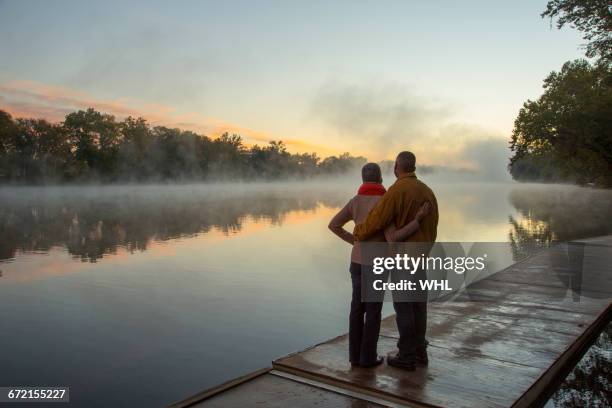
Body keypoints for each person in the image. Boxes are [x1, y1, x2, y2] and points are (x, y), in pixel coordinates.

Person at [329, 162, 430, 368]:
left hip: (356, 262)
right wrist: (417, 221)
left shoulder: (355, 201)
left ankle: (354, 357)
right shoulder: (385, 202)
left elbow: (334, 225)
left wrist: (354, 241)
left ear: (363, 179)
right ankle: (368, 357)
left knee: (356, 309)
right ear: (380, 179)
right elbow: (393, 238)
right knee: (373, 310)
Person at [353, 151, 438, 371]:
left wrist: (359, 232)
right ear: (414, 167)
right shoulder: (428, 192)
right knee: (419, 306)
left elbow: (377, 219)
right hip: (421, 258)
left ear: (396, 168)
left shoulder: (396, 191)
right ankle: (420, 351)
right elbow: (433, 227)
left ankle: (407, 355)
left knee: (404, 308)